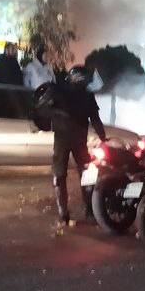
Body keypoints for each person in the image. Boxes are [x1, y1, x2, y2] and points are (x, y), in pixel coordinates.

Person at [41, 64, 108, 227]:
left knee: (68, 175)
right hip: (71, 140)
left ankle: (68, 213)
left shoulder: (64, 91)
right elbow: (95, 119)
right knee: (81, 174)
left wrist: (103, 138)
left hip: (67, 140)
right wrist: (103, 138)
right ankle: (85, 211)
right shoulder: (77, 93)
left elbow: (43, 110)